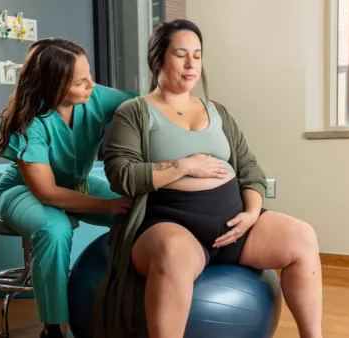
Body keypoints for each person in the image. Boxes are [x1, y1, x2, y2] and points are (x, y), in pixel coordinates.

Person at [95, 19, 323, 338]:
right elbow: (121, 174)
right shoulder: (133, 112)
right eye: (181, 54)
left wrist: (251, 214)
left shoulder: (217, 111)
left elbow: (249, 169)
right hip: (170, 223)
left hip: (234, 225)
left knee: (302, 236)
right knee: (173, 253)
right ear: (158, 59)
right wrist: (184, 165)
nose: (191, 64)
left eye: (198, 55)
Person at [0, 37, 136, 338]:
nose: (91, 86)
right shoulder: (29, 122)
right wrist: (107, 205)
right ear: (53, 85)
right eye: (81, 82)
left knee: (139, 211)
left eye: (90, 76)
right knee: (54, 230)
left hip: (77, 185)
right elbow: (47, 193)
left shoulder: (94, 97)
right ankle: (53, 328)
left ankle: (132, 300)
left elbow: (147, 105)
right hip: (23, 193)